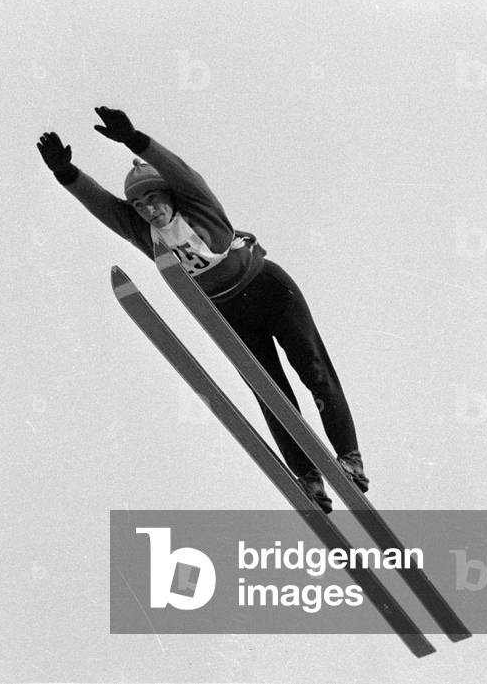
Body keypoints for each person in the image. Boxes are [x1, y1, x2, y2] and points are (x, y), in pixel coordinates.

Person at [36, 106, 368, 513]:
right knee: (271, 395)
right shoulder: (144, 232)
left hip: (270, 291)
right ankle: (310, 479)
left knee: (313, 370)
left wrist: (135, 139)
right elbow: (102, 205)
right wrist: (66, 174)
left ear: (168, 196)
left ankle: (349, 458)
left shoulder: (196, 204)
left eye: (154, 200)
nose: (149, 211)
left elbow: (182, 173)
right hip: (231, 314)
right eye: (140, 206)